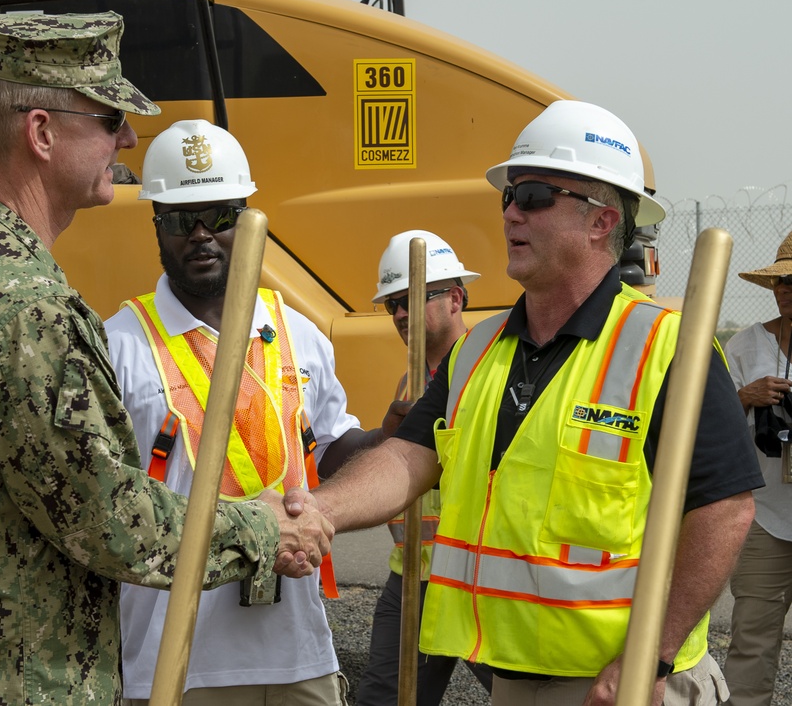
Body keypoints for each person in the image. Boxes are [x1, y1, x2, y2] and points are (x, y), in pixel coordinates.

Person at [0, 15, 330, 706]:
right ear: (42, 133)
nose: (129, 138)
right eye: (109, 116)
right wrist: (264, 527)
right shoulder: (23, 304)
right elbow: (111, 524)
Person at [283, 99, 763, 706]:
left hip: (629, 685)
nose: (511, 211)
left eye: (534, 196)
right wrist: (319, 509)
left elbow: (724, 510)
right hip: (509, 678)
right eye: (507, 196)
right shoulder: (478, 351)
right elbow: (407, 456)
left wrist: (655, 652)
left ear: (600, 221)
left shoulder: (667, 348)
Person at [104, 118, 396, 705]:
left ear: (248, 219)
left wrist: (393, 435)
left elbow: (332, 449)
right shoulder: (120, 346)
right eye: (184, 219)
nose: (203, 235)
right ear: (157, 224)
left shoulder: (298, 333)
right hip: (174, 660)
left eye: (221, 216)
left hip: (295, 652)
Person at [356, 229, 493, 705]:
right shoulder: (407, 382)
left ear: (455, 299)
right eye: (392, 303)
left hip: (480, 576)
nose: (399, 314)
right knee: (384, 699)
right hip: (413, 574)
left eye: (412, 299)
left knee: (530, 694)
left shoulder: (491, 371)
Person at [721, 233, 792, 706]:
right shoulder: (745, 345)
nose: (785, 290)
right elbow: (709, 426)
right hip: (763, 514)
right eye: (779, 282)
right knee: (752, 638)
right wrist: (745, 398)